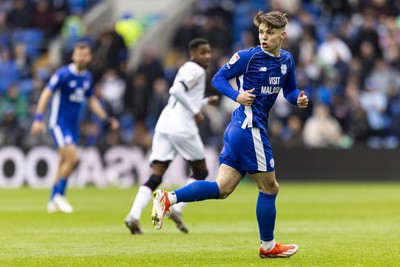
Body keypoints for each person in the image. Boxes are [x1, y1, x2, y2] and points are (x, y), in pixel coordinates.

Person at [151, 11, 309, 258]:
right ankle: (268, 247)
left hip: (240, 130)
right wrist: (237, 95)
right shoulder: (249, 57)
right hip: (249, 128)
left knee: (222, 188)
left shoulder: (287, 60)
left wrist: (297, 99)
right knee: (270, 188)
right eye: (261, 32)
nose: (263, 37)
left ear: (282, 35)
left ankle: (168, 198)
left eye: (269, 32)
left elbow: (289, 90)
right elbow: (218, 78)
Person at [124, 38, 219, 234]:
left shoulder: (185, 68)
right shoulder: (197, 70)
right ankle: (174, 206)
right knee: (201, 173)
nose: (207, 56)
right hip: (182, 126)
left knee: (156, 176)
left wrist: (203, 102)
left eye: (209, 52)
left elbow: (181, 97)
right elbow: (175, 91)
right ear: (192, 54)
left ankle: (133, 215)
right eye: (203, 52)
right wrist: (196, 110)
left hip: (165, 122)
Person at [30, 42, 119, 213]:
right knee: (73, 159)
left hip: (73, 125)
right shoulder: (62, 74)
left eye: (84, 55)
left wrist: (106, 118)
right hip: (59, 123)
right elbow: (46, 93)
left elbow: (91, 100)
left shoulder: (87, 78)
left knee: (63, 161)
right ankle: (59, 196)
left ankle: (52, 201)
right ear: (73, 56)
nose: (81, 57)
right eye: (78, 54)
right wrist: (38, 118)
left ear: (90, 57)